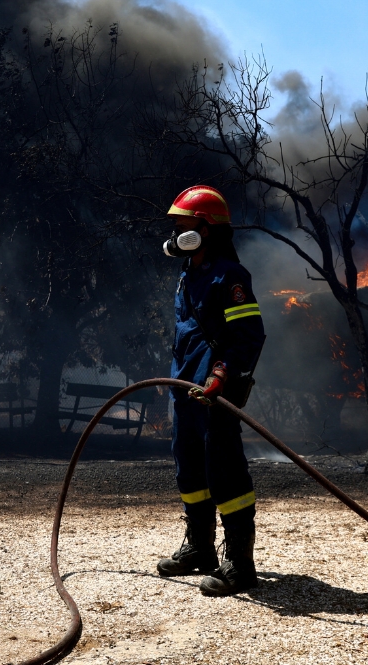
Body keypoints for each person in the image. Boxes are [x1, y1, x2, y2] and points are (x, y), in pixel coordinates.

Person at [155, 185, 267, 596]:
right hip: (185, 388)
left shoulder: (230, 278)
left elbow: (247, 337)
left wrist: (219, 375)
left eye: (182, 224)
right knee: (189, 465)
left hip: (214, 390)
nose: (175, 233)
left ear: (206, 228)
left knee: (224, 469)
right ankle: (200, 548)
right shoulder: (189, 274)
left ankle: (239, 563)